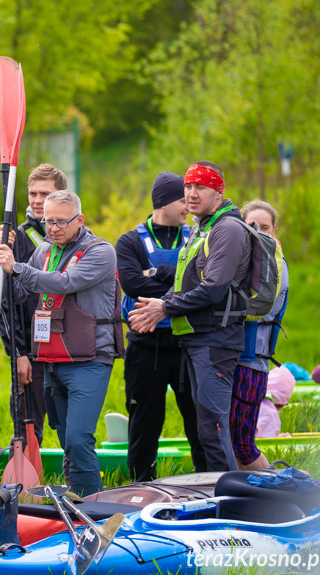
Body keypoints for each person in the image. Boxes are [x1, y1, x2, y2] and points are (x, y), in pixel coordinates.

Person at [0, 190, 122, 496]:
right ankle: (75, 500)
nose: (53, 228)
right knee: (67, 439)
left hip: (89, 358)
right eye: (47, 221)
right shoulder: (43, 253)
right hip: (53, 360)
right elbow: (23, 291)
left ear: (79, 220)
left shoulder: (100, 252)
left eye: (61, 222)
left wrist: (19, 268)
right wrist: (3, 265)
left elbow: (66, 283)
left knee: (79, 438)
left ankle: (94, 506)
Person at [129, 161, 251, 472]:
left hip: (216, 341)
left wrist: (164, 308)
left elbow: (212, 290)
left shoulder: (228, 229)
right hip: (196, 340)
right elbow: (186, 282)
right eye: (188, 187)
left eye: (201, 187)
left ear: (218, 191)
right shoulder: (202, 227)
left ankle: (232, 502)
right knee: (206, 426)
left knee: (212, 426)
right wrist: (159, 308)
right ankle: (216, 497)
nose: (191, 194)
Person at [115, 172, 202, 481]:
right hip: (144, 346)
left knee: (198, 422)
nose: (189, 206)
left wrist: (157, 274)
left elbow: (202, 284)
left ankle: (207, 483)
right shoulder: (129, 241)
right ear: (164, 202)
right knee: (144, 424)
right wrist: (180, 282)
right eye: (183, 199)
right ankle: (141, 486)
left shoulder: (196, 237)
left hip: (186, 345)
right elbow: (132, 284)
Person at [0, 163, 66, 444]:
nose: (38, 201)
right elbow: (5, 301)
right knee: (27, 430)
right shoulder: (17, 237)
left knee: (70, 428)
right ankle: (26, 484)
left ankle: (75, 483)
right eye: (32, 194)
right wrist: (18, 353)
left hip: (67, 345)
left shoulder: (78, 238)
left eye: (45, 194)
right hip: (32, 350)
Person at [231, 200, 288, 470]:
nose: (259, 231)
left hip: (251, 364)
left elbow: (256, 309)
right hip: (231, 360)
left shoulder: (274, 265)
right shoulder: (246, 260)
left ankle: (290, 488)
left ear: (274, 230)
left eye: (265, 227)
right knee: (231, 443)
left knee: (243, 445)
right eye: (252, 226)